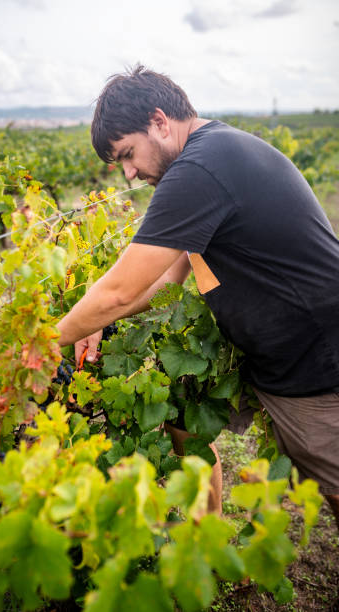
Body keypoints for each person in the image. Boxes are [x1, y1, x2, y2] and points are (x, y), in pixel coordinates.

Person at [56, 65, 339, 527]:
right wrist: (99, 320)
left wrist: (49, 340)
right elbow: (166, 280)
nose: (128, 173)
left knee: (333, 487)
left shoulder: (200, 168)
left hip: (314, 352)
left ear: (160, 122)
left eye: (128, 154)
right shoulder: (214, 152)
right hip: (258, 349)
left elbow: (122, 289)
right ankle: (203, 535)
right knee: (186, 417)